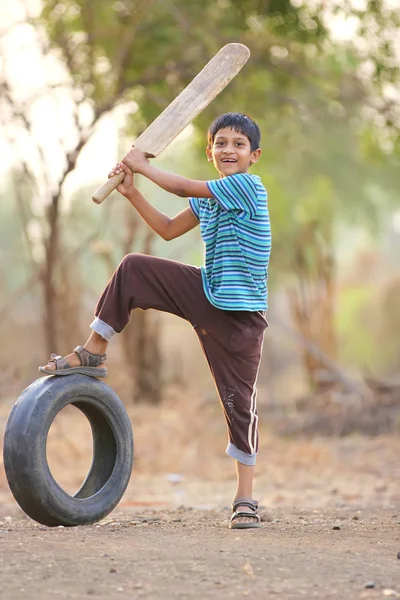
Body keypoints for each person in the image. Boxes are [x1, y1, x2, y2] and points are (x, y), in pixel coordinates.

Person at [39, 112, 272, 529]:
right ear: (210, 151)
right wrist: (132, 193)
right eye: (220, 143)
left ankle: (245, 498)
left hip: (241, 315)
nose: (228, 150)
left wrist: (143, 166)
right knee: (134, 268)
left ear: (254, 156)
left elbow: (181, 185)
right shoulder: (208, 197)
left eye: (238, 144)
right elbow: (166, 229)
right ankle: (94, 350)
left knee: (239, 405)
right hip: (207, 293)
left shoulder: (246, 186)